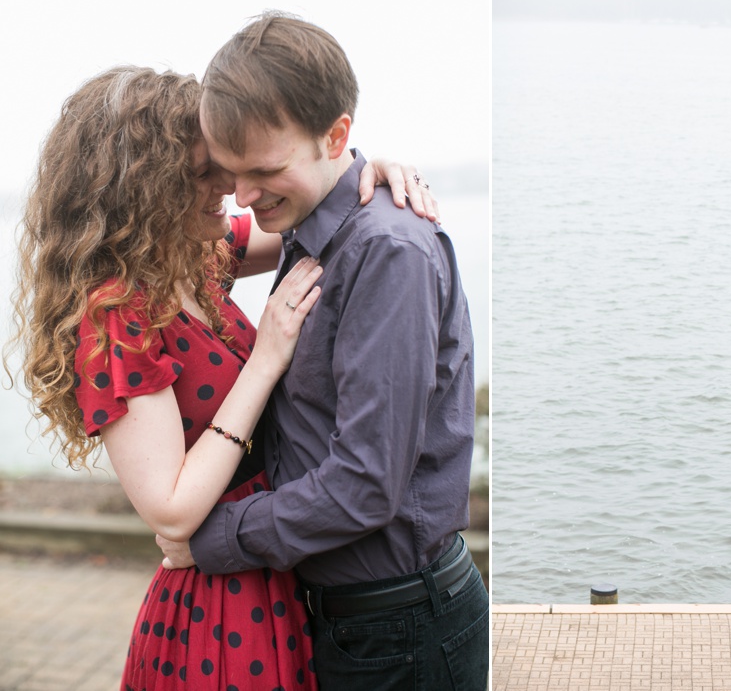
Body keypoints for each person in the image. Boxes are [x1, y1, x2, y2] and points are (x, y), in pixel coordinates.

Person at [9, 65, 436, 690]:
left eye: (228, 166)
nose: (231, 187)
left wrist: (368, 171)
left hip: (271, 565)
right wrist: (265, 361)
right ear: (143, 189)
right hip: (220, 608)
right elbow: (171, 510)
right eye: (204, 173)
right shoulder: (114, 315)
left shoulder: (192, 258)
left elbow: (310, 213)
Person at [158, 12, 489, 690]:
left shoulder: (386, 252)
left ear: (336, 134)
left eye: (264, 170)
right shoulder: (313, 226)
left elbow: (365, 483)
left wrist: (210, 538)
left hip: (399, 627)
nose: (245, 195)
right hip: (357, 619)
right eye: (230, 173)